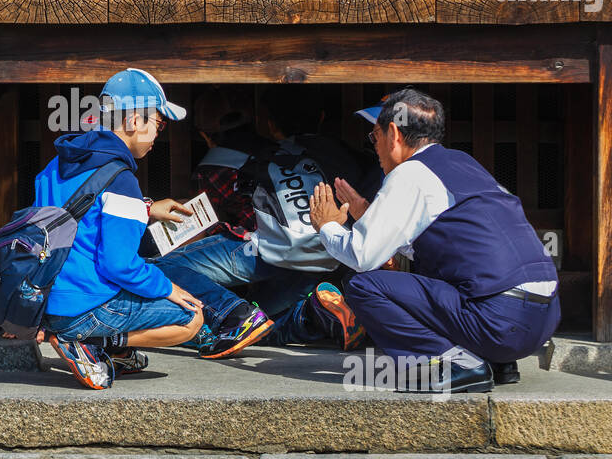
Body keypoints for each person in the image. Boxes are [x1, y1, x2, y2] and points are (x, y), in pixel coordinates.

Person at [36, 69, 275, 389]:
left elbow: (79, 215)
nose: (158, 134)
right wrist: (168, 288)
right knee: (192, 319)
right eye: (158, 124)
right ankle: (90, 342)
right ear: (134, 121)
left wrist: (146, 208)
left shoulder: (58, 164)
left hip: (49, 303)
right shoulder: (122, 180)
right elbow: (119, 265)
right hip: (87, 306)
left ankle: (99, 344)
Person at [310, 88, 561, 393]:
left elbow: (361, 256)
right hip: (543, 320)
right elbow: (450, 244)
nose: (374, 147)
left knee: (364, 285)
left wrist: (327, 226)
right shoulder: (463, 163)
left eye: (374, 136)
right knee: (433, 271)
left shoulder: (409, 174)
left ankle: (454, 363)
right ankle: (497, 362)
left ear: (393, 133)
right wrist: (367, 218)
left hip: (498, 321)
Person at [156, 88, 375, 352]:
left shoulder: (213, 167)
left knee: (163, 268)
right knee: (263, 322)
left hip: (263, 252)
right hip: (328, 254)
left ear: (204, 135)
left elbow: (203, 226)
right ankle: (315, 314)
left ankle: (233, 311)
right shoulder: (298, 150)